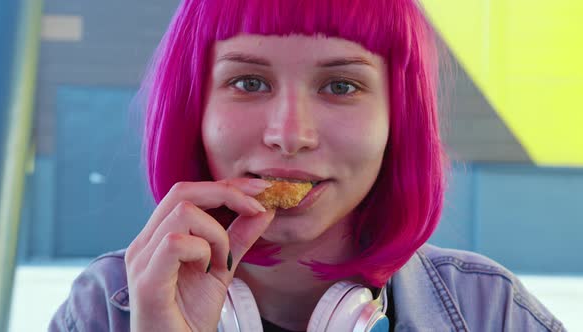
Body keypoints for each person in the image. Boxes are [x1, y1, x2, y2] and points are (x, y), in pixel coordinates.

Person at [49, 0, 565, 331]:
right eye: (249, 82)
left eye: (340, 86)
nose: (290, 135)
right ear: (195, 108)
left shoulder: (490, 313)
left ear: (397, 119)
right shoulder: (101, 312)